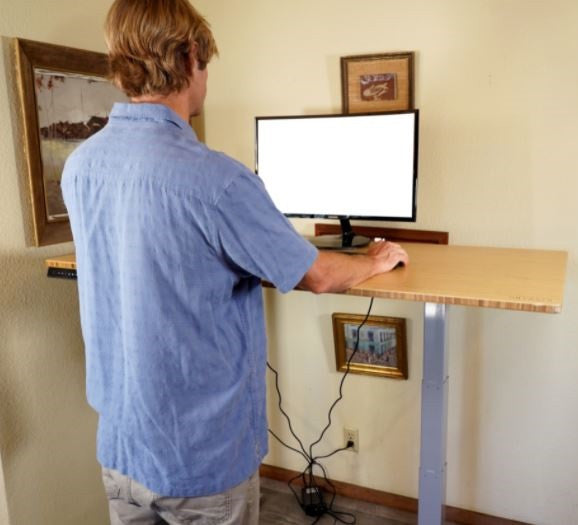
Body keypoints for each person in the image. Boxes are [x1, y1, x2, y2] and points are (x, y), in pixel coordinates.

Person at [61, 0, 408, 523]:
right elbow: (318, 274)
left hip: (122, 447)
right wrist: (376, 261)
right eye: (207, 65)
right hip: (199, 460)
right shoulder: (218, 181)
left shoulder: (81, 164)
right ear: (191, 56)